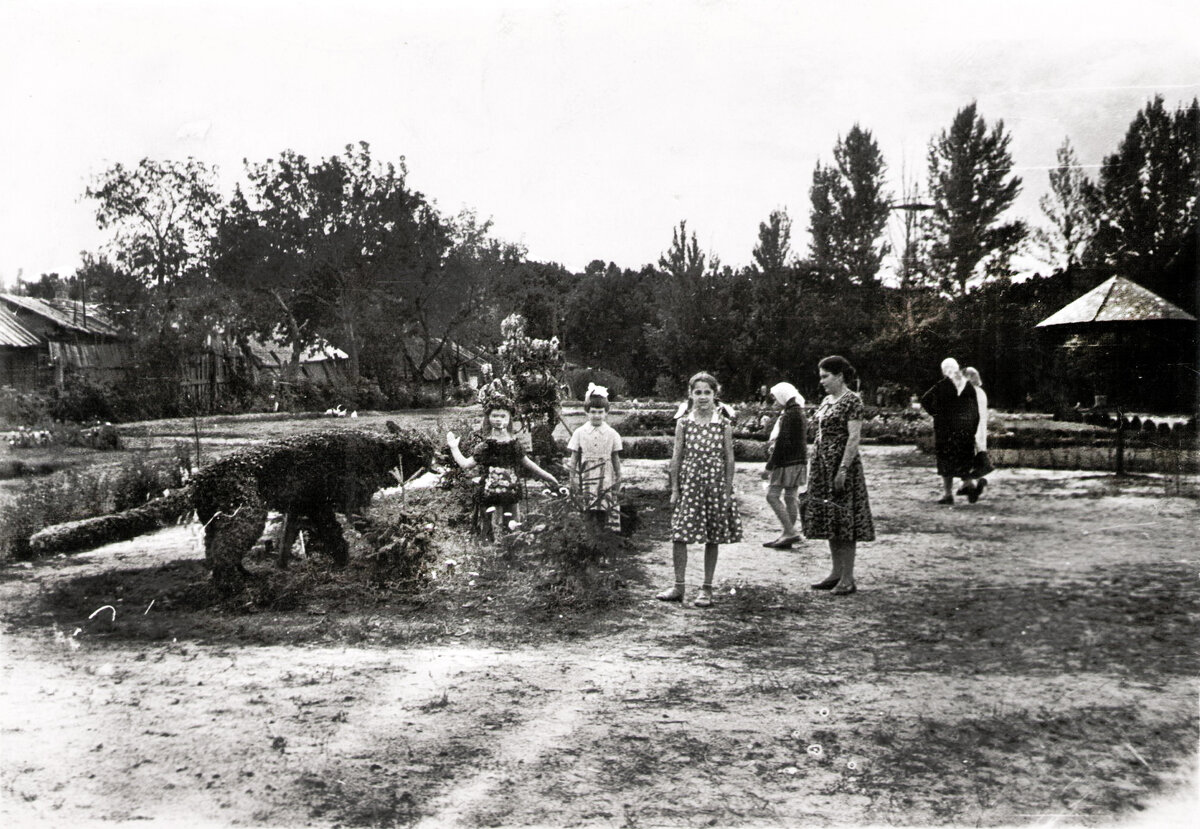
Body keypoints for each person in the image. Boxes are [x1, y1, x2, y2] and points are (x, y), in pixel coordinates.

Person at [657, 372, 742, 608]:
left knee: (712, 536)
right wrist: (675, 489)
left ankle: (706, 588)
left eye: (707, 392)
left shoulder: (723, 424)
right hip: (689, 485)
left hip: (714, 486)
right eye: (698, 392)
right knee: (679, 534)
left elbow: (729, 459)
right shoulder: (683, 423)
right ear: (690, 394)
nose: (703, 397)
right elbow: (676, 457)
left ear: (715, 395)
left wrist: (727, 491)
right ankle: (678, 586)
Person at [801, 356, 874, 596]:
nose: (821, 381)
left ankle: (848, 577)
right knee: (830, 517)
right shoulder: (826, 400)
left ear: (839, 376)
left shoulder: (852, 400)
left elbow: (853, 438)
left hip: (841, 467)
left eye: (825, 376)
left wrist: (843, 468)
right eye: (820, 376)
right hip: (822, 466)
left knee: (844, 519)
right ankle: (835, 572)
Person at [447, 397, 563, 540]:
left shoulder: (514, 443)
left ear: (509, 419)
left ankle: (513, 549)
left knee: (514, 525)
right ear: (488, 417)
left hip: (511, 491)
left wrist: (549, 477)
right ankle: (495, 549)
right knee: (495, 524)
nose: (498, 419)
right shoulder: (486, 445)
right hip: (491, 493)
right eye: (494, 415)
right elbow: (466, 464)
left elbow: (529, 464)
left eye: (503, 416)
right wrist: (454, 448)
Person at [920, 357, 980, 505]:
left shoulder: (941, 385)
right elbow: (975, 411)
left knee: (946, 460)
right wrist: (972, 427)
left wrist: (936, 414)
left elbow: (925, 400)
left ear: (944, 371)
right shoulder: (968, 386)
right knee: (964, 458)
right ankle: (968, 484)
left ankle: (948, 494)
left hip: (945, 430)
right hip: (964, 431)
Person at [567, 383, 623, 532]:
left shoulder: (612, 433)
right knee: (588, 507)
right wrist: (572, 478)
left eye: (600, 412)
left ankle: (603, 534)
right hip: (586, 474)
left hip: (606, 475)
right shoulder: (579, 432)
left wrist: (619, 477)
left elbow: (615, 458)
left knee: (604, 505)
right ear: (586, 412)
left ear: (606, 413)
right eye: (593, 412)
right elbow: (574, 458)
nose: (596, 416)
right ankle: (589, 535)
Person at [762, 381, 807, 549]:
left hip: (786, 461)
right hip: (799, 460)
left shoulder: (790, 414)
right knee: (790, 497)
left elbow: (782, 442)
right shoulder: (798, 411)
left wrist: (769, 466)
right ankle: (787, 535)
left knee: (772, 495)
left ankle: (790, 531)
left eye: (775, 398)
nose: (774, 402)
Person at [961, 367, 993, 502]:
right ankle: (970, 484)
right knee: (978, 458)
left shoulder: (968, 393)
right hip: (980, 431)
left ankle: (969, 486)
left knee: (965, 459)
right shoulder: (981, 392)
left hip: (970, 430)